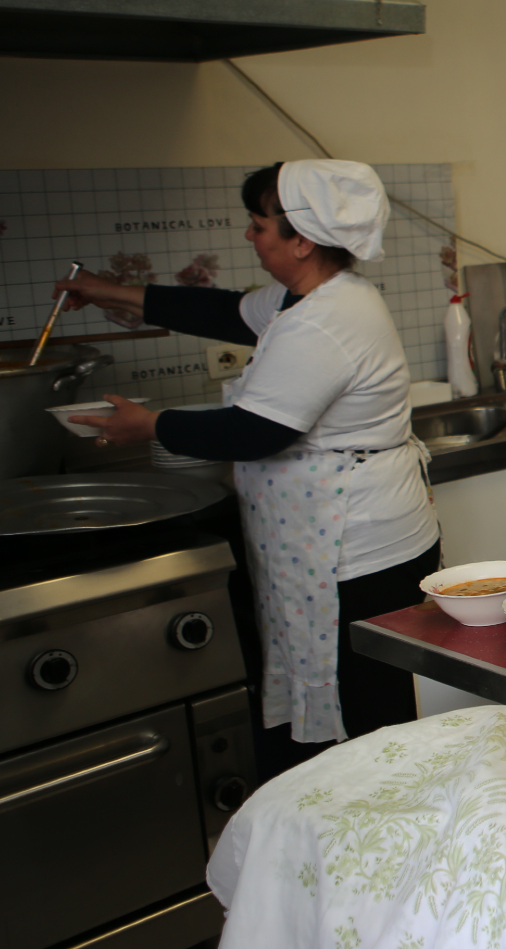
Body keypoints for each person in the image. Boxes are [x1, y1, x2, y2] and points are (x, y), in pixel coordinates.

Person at [56, 160, 441, 751]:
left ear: (302, 240)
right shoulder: (314, 297)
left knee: (369, 717)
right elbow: (225, 312)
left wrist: (146, 425)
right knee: (362, 705)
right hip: (336, 540)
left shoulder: (324, 322)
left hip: (354, 552)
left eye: (258, 224)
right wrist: (105, 289)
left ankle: (372, 829)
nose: (249, 235)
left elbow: (254, 433)